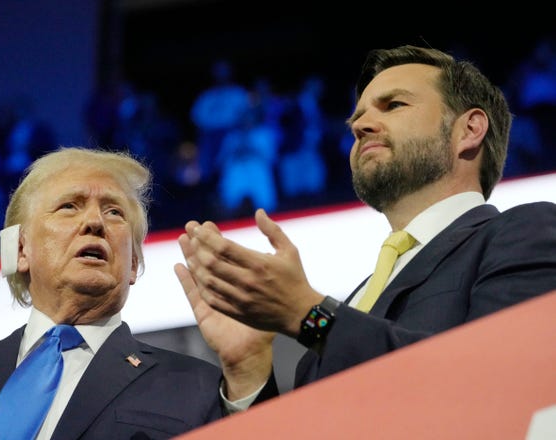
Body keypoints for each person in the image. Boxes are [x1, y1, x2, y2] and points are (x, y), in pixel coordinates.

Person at [174, 44, 556, 410]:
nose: (360, 126)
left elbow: (500, 386)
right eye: (355, 119)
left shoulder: (525, 232)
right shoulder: (355, 304)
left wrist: (306, 314)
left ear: (469, 129)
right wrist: (249, 367)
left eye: (393, 105)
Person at [0, 146, 224, 439]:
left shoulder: (197, 386)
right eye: (69, 206)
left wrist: (250, 370)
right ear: (21, 250)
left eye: (114, 212)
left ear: (134, 263)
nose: (95, 221)